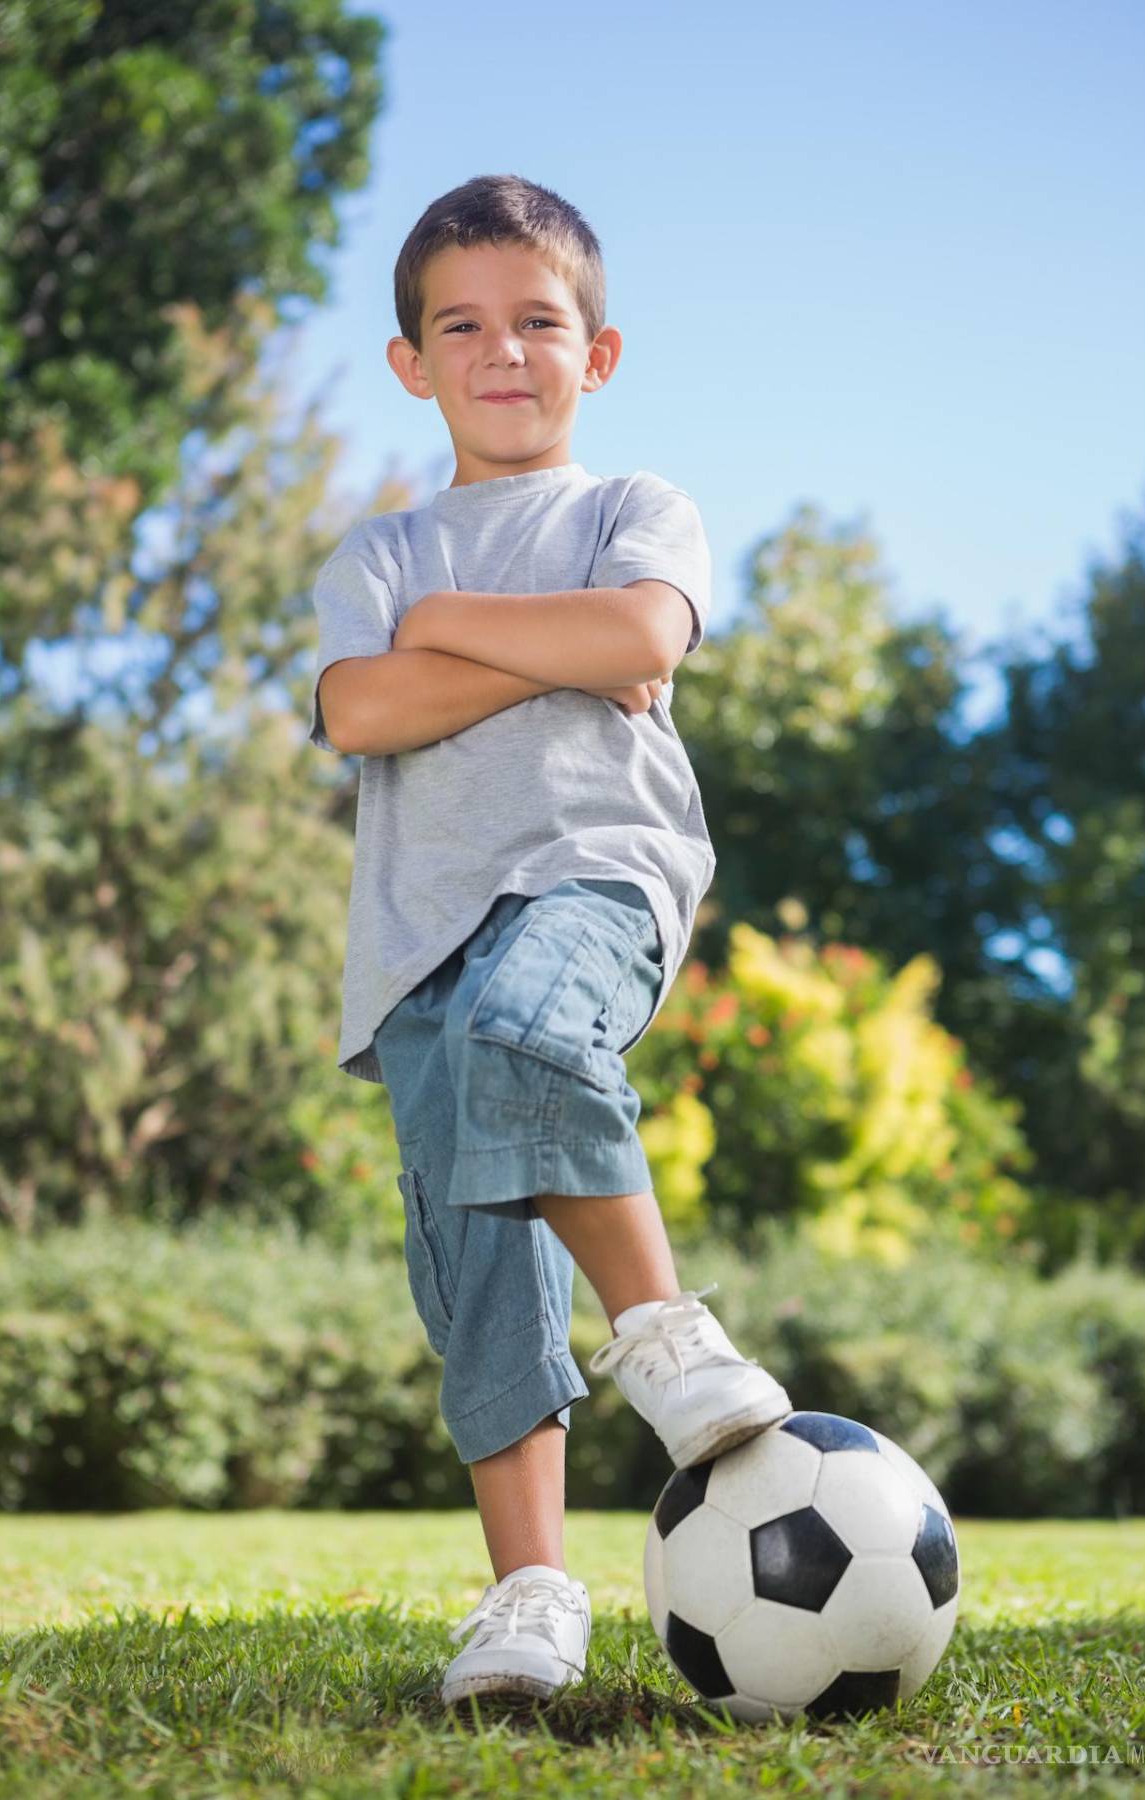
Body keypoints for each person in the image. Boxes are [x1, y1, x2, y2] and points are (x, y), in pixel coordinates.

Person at [306, 173, 793, 1706]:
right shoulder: (379, 559)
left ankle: (659, 1327)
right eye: (462, 325)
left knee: (535, 1027)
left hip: (598, 875)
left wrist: (456, 635)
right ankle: (531, 1594)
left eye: (539, 321)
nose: (503, 351)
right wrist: (535, 646)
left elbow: (643, 637)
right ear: (410, 362)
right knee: (476, 1264)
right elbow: (358, 707)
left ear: (601, 351)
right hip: (413, 946)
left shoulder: (632, 512)